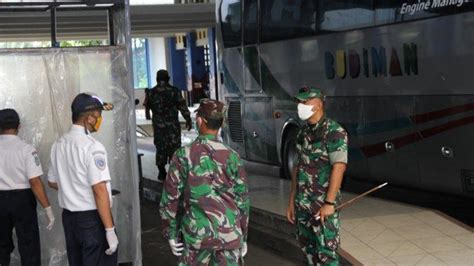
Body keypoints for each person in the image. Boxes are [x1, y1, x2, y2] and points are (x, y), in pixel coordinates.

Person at [160, 99, 249, 265]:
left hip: (196, 238)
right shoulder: (233, 156)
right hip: (229, 238)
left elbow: (170, 198)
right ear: (221, 123)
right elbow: (242, 201)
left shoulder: (183, 155)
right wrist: (243, 235)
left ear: (199, 120)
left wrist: (170, 233)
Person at [47, 93, 118, 266]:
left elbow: (52, 181)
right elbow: (99, 190)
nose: (100, 119)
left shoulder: (58, 144)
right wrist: (109, 230)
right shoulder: (92, 147)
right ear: (89, 118)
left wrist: (73, 188)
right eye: (98, 115)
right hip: (92, 220)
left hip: (70, 220)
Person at [286, 87, 348, 265]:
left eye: (305, 102)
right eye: (299, 102)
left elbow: (339, 167)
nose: (300, 106)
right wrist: (292, 200)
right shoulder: (302, 133)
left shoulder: (334, 132)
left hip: (322, 206)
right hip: (302, 204)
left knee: (327, 254)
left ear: (319, 104)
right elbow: (297, 168)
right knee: (308, 251)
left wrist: (329, 203)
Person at [0, 108, 55, 266]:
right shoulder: (27, 150)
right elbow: (35, 182)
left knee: (1, 247)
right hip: (22, 201)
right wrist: (48, 209)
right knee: (29, 246)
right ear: (19, 126)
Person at [144, 69, 193, 183]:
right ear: (168, 79)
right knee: (174, 149)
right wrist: (188, 119)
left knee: (160, 148)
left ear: (157, 79)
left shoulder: (151, 92)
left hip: (159, 127)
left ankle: (161, 172)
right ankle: (174, 172)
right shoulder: (174, 91)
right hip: (172, 128)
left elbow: (147, 111)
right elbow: (182, 106)